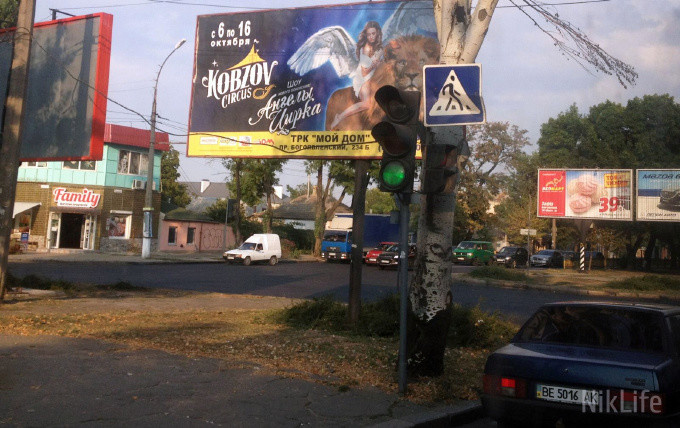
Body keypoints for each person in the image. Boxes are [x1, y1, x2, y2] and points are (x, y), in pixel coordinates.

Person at [330, 21, 384, 129]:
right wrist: (374, 65)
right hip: (363, 78)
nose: (371, 37)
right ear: (366, 35)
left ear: (377, 33)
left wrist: (379, 64)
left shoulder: (379, 48)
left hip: (372, 77)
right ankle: (339, 117)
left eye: (373, 33)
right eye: (369, 34)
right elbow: (364, 71)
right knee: (367, 104)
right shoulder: (366, 48)